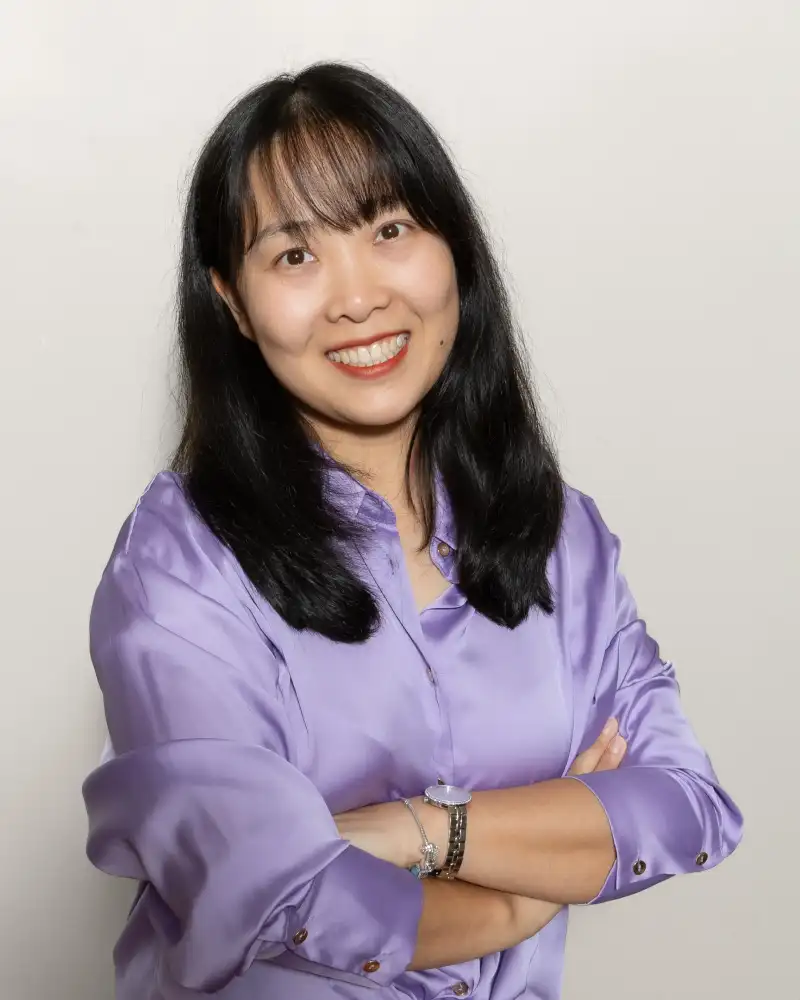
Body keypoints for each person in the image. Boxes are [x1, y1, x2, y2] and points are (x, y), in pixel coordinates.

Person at [82, 62, 743, 1000]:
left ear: (454, 250)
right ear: (231, 299)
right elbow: (270, 892)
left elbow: (685, 804)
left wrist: (421, 832)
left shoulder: (557, 533)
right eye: (295, 255)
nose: (357, 297)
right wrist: (522, 898)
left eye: (389, 230)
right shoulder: (181, 563)